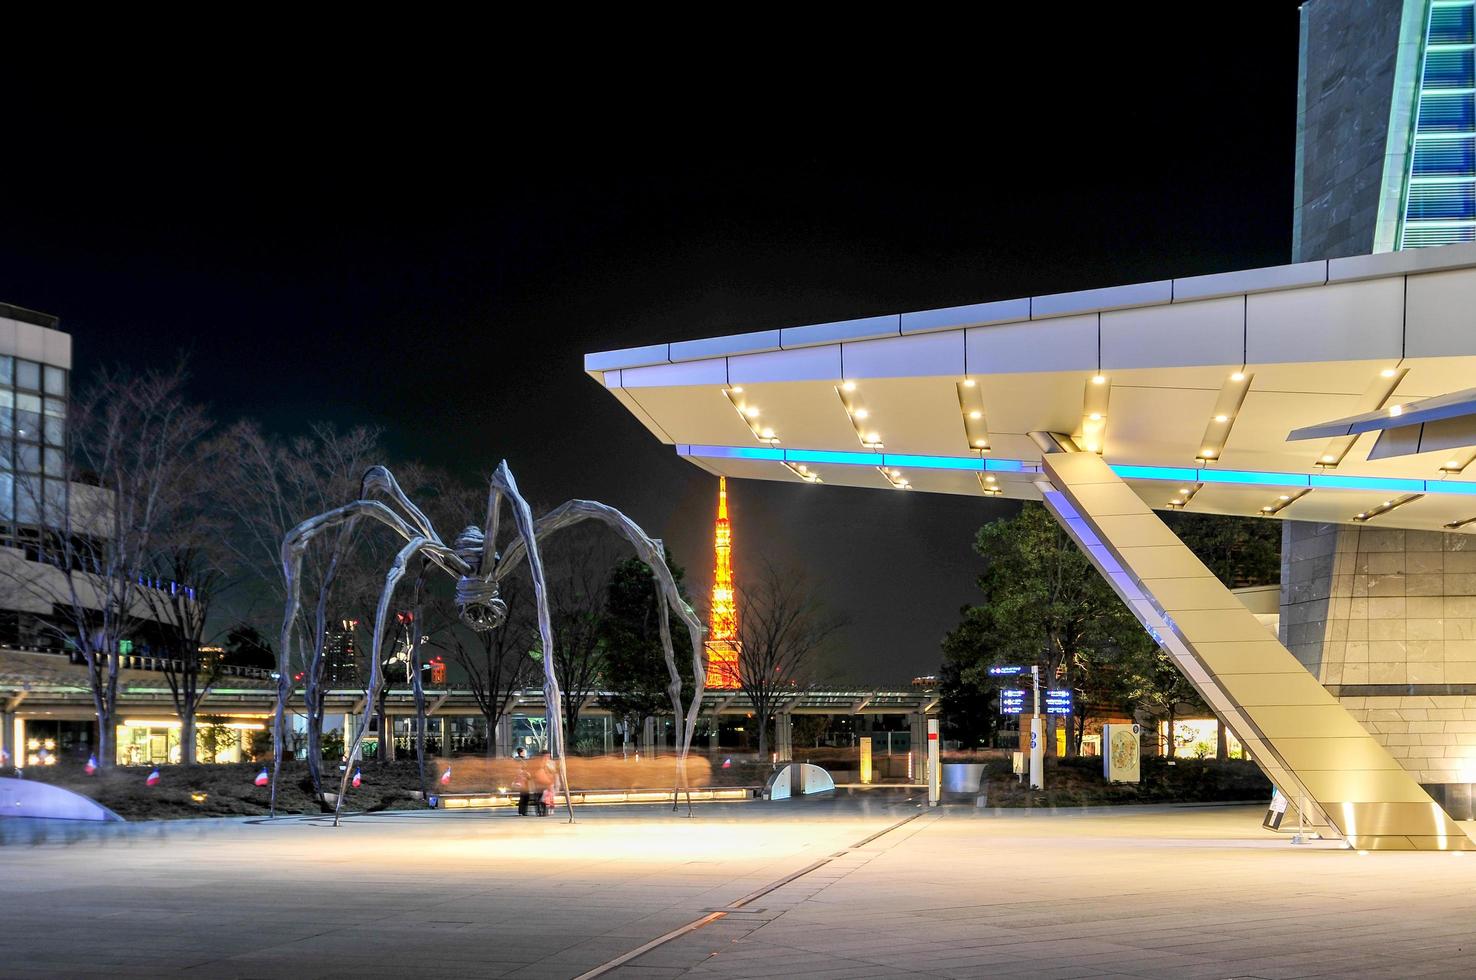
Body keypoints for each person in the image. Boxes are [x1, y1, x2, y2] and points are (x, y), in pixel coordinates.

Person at [532, 752, 557, 816]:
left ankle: (545, 811)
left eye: (548, 756)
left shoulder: (551, 763)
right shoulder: (539, 763)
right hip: (539, 782)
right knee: (539, 797)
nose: (547, 757)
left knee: (546, 797)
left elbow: (553, 772)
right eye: (546, 756)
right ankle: (539, 811)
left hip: (547, 782)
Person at [513, 747, 531, 816]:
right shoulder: (519, 760)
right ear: (520, 752)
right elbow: (519, 769)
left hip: (525, 779)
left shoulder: (522, 759)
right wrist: (526, 773)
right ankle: (523, 811)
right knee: (524, 795)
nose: (525, 753)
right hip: (522, 780)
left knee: (524, 795)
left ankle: (523, 811)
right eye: (524, 752)